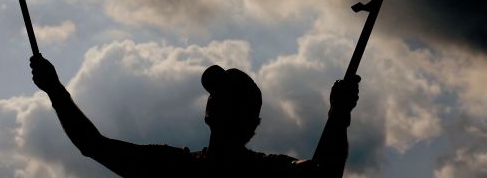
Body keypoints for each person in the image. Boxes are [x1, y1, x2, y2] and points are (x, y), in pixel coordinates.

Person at [31, 54, 360, 177]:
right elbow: (93, 145)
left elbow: (322, 175)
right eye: (215, 94)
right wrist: (54, 89)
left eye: (225, 97)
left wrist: (339, 115)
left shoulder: (266, 170)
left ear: (247, 121)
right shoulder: (176, 165)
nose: (214, 100)